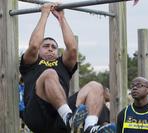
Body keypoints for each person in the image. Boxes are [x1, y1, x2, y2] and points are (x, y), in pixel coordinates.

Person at [19, 3, 115, 133]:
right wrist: (44, 14)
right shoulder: (30, 64)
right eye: (46, 46)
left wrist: (62, 18)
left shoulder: (62, 65)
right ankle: (68, 117)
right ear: (39, 50)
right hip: (37, 116)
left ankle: (89, 128)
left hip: (60, 120)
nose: (50, 49)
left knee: (95, 86)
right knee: (49, 73)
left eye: (53, 47)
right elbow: (34, 45)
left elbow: (73, 49)